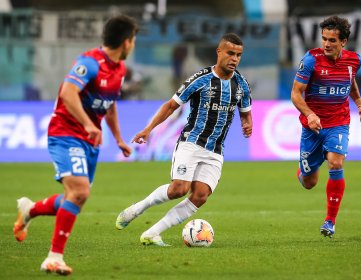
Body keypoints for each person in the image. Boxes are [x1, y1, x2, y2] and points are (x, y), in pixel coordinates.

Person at [13, 14, 138, 275]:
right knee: (80, 192)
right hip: (66, 133)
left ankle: (30, 209)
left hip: (89, 140)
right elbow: (67, 92)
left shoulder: (119, 70)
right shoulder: (90, 63)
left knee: (75, 197)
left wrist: (118, 138)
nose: (133, 45)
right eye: (133, 40)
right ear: (126, 42)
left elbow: (110, 105)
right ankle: (53, 258)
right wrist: (89, 124)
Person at [115, 33, 253, 246]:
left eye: (239, 55)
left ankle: (152, 233)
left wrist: (247, 123)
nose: (234, 58)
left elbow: (246, 111)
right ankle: (138, 208)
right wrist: (148, 129)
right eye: (230, 53)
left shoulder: (241, 84)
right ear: (219, 52)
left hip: (215, 150)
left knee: (200, 195)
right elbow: (171, 105)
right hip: (191, 142)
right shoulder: (201, 79)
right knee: (178, 189)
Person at [291, 15, 361, 238]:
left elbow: (350, 82)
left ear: (343, 42)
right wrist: (310, 114)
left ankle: (330, 221)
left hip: (338, 123)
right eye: (324, 39)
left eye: (332, 40)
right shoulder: (310, 60)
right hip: (312, 127)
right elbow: (296, 93)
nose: (326, 44)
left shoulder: (354, 60)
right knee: (309, 182)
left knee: (336, 163)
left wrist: (360, 105)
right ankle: (304, 170)